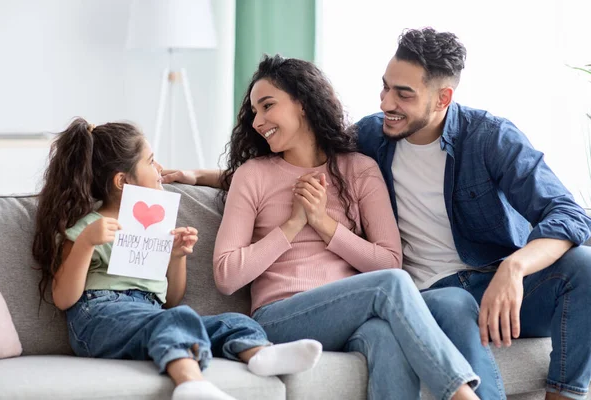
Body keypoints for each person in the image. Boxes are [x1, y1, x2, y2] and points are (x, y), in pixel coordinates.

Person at [199, 54, 484, 400]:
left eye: (267, 106)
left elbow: (389, 261)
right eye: (254, 112)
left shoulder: (359, 170)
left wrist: (323, 224)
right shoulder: (253, 175)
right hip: (279, 318)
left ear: (302, 103)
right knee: (390, 286)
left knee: (384, 334)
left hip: (351, 315)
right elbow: (226, 275)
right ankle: (461, 394)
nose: (258, 121)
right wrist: (292, 225)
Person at [354, 28, 591, 400]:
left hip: (498, 286)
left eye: (403, 94)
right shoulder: (369, 138)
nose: (386, 103)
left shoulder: (488, 137)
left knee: (585, 265)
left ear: (442, 98)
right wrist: (226, 177)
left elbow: (567, 213)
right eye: (385, 87)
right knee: (454, 302)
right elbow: (297, 166)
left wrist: (514, 268)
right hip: (430, 294)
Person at [31, 118, 323, 400]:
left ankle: (261, 354)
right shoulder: (87, 228)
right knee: (175, 321)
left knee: (232, 321)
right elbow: (64, 298)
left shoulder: (157, 227)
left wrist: (176, 257)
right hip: (98, 316)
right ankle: (190, 383)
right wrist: (86, 243)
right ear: (122, 181)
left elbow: (171, 300)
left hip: (151, 312)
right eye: (150, 161)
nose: (159, 168)